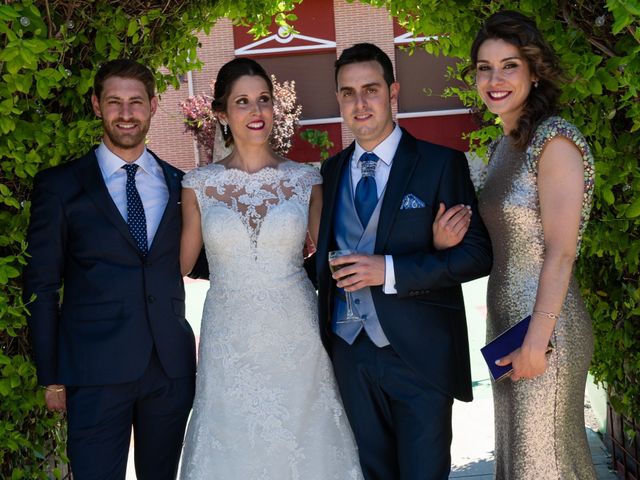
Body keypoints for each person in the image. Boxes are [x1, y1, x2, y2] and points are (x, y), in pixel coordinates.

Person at [315, 42, 493, 479]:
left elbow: (476, 255)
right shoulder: (329, 171)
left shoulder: (439, 164)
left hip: (419, 355)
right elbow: (319, 260)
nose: (360, 103)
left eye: (370, 89)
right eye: (348, 92)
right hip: (349, 354)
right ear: (338, 98)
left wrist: (389, 269)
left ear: (393, 92)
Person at [178, 57, 363, 479]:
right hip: (229, 333)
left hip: (296, 330)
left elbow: (335, 255)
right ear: (222, 113)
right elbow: (177, 267)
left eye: (263, 99)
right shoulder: (198, 185)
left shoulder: (305, 179)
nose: (256, 111)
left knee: (305, 439)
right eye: (242, 101)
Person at [23, 59, 196, 479]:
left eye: (136, 102)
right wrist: (51, 376)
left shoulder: (182, 185)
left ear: (154, 105)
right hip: (94, 373)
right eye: (115, 101)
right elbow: (42, 286)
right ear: (97, 105)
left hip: (169, 371)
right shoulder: (60, 186)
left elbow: (215, 259)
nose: (126, 113)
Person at [467, 10, 597, 479]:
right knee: (524, 460)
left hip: (545, 333)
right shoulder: (505, 146)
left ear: (534, 70)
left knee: (545, 464)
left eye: (509, 65)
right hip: (509, 328)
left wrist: (537, 344)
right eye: (484, 67)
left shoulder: (554, 141)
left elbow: (561, 252)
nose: (495, 79)